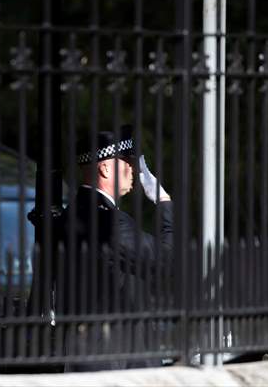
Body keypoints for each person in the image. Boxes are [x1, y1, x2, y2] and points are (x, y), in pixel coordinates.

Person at [60, 124, 173, 370]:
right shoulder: (104, 220)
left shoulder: (77, 212)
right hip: (116, 360)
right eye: (126, 162)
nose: (133, 169)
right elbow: (165, 259)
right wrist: (164, 203)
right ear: (104, 168)